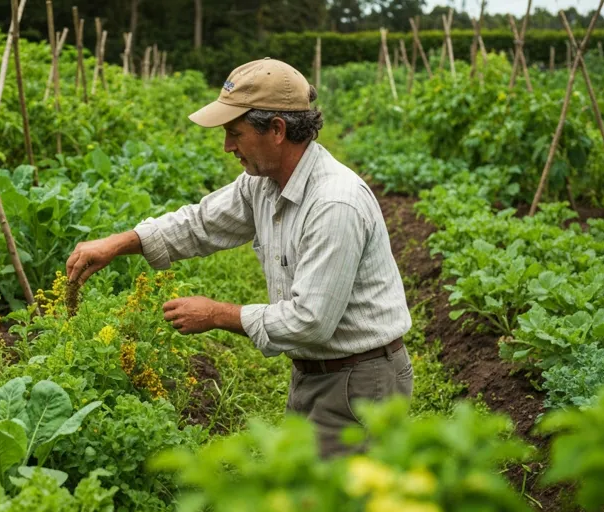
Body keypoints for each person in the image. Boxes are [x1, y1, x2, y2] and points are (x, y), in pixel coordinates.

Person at [65, 58, 412, 456]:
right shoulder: (262, 183)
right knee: (309, 501)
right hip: (321, 373)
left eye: (235, 133)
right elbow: (201, 223)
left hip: (361, 382)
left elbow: (310, 322)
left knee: (341, 511)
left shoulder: (334, 203)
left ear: (277, 130)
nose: (228, 146)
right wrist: (118, 243)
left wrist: (216, 314)